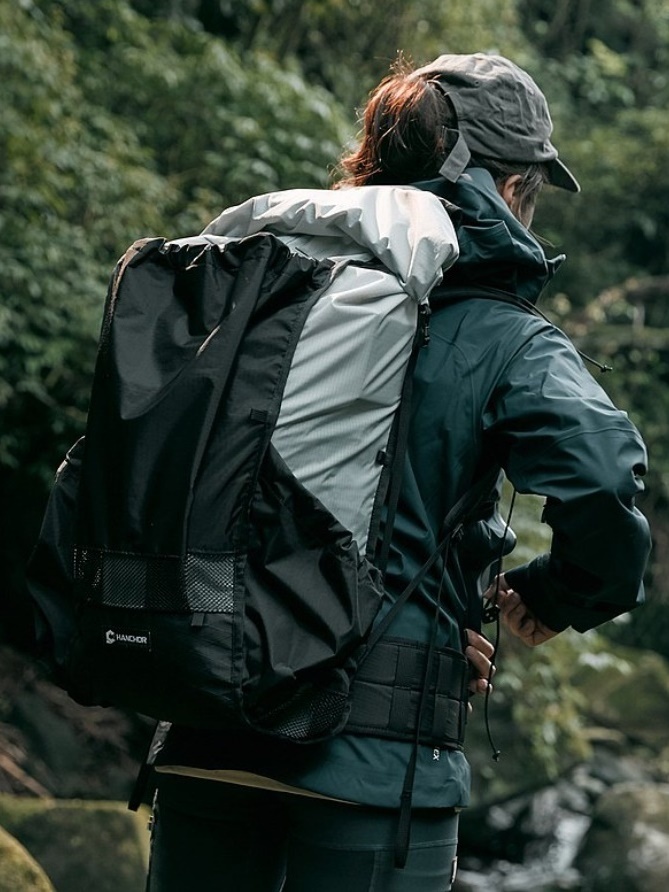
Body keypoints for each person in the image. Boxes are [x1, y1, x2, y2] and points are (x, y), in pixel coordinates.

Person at [144, 53, 651, 891]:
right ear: (511, 187)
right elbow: (599, 477)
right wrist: (558, 596)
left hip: (205, 733)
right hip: (372, 763)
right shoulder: (499, 334)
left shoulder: (259, 290)